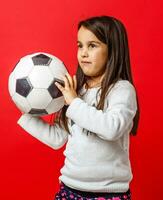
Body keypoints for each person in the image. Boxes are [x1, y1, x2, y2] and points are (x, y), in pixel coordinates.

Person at [17, 15, 140, 200]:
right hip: (70, 189)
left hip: (108, 194)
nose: (83, 53)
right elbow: (58, 137)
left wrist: (73, 102)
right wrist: (26, 111)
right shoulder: (77, 91)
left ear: (112, 50)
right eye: (80, 46)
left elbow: (112, 128)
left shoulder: (121, 90)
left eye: (92, 45)